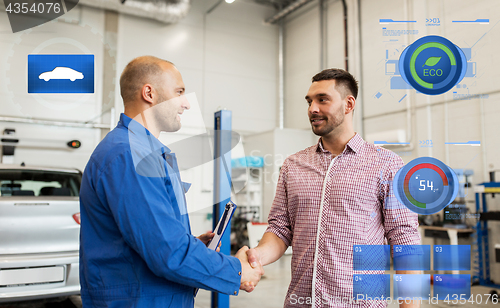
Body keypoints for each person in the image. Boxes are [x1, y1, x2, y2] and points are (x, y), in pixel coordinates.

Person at [79, 56, 262, 308]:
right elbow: (168, 253)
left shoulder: (144, 153)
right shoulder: (129, 156)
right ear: (149, 93)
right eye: (179, 92)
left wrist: (193, 244)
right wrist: (237, 271)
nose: (186, 103)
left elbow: (149, 236)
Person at [245, 69, 421, 307]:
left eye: (322, 99)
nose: (312, 109)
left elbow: (404, 239)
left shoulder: (387, 164)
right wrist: (256, 257)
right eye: (309, 101)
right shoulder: (293, 165)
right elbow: (280, 229)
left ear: (348, 104)